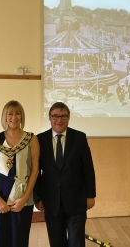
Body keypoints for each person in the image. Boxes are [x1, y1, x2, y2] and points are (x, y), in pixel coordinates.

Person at [34, 102, 96, 247]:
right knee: (56, 242)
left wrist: (90, 195)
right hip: (51, 201)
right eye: (55, 116)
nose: (59, 120)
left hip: (76, 200)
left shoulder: (79, 138)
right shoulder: (39, 140)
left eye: (63, 116)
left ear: (68, 118)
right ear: (50, 117)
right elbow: (36, 172)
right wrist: (37, 197)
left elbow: (88, 168)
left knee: (76, 242)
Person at [0, 100, 39, 247]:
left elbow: (34, 171)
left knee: (20, 241)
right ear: (5, 116)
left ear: (22, 116)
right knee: (2, 241)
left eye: (18, 113)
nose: (14, 117)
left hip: (22, 200)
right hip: (1, 200)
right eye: (10, 114)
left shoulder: (31, 139)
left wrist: (25, 198)